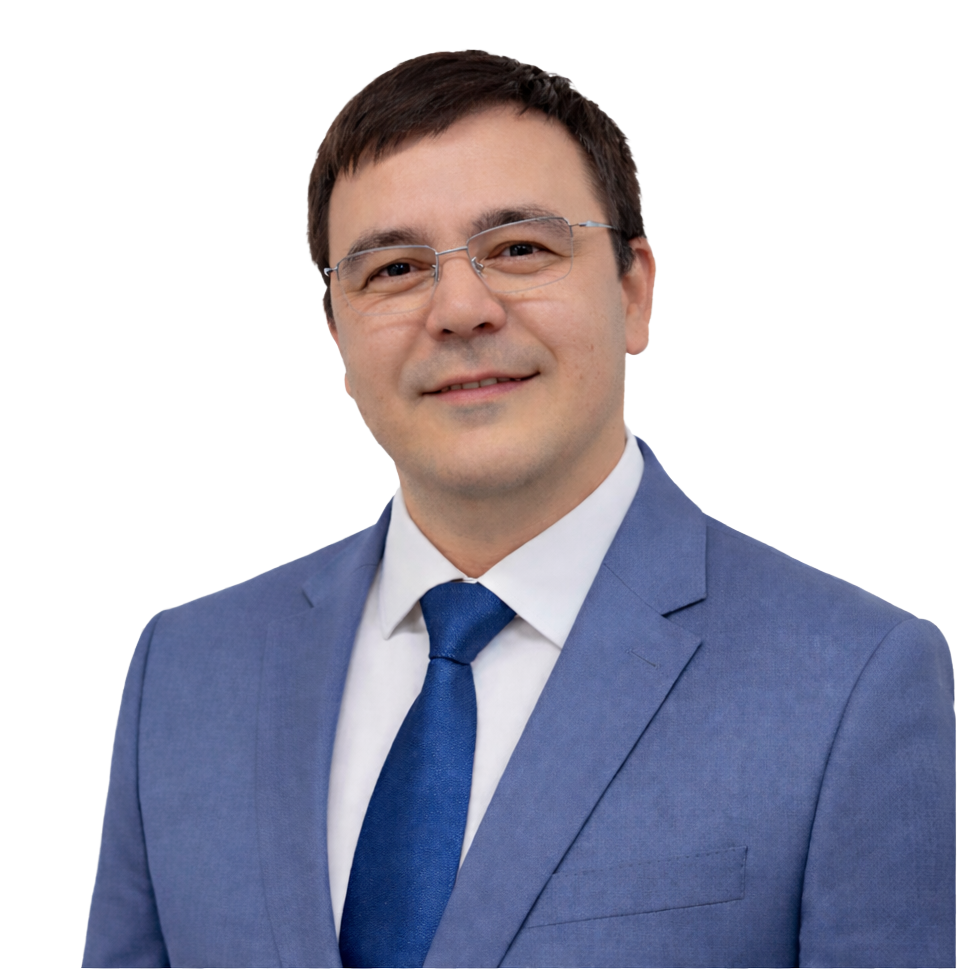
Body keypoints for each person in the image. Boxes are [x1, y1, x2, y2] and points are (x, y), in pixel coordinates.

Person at [82, 50, 954, 969]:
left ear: (633, 290)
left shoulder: (853, 682)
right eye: (394, 268)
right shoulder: (186, 674)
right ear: (337, 332)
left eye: (519, 250)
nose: (460, 308)